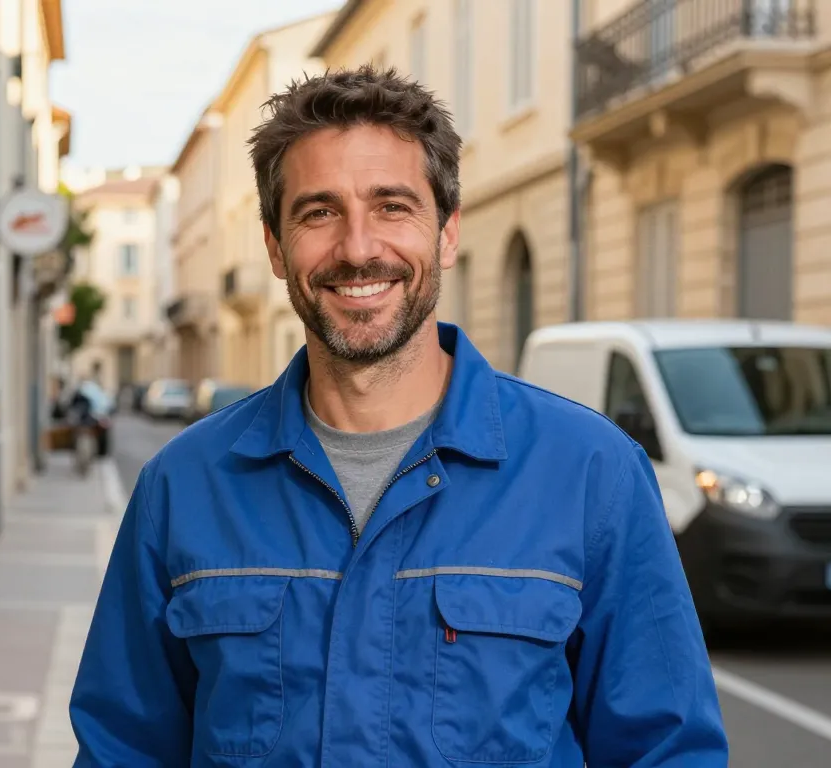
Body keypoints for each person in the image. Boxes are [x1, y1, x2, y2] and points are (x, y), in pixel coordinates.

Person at [69, 66, 729, 766]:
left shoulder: (592, 473)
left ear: (446, 233)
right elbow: (122, 749)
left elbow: (667, 749)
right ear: (274, 246)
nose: (358, 248)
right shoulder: (182, 486)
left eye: (392, 206)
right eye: (319, 212)